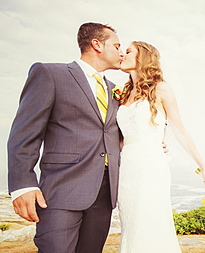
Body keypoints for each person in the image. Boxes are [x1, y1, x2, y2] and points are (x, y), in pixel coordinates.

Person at [7, 22, 124, 252]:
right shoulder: (50, 74)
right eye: (117, 45)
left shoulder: (115, 90)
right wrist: (22, 185)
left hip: (104, 195)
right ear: (97, 44)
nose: (122, 52)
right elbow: (25, 132)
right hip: (61, 191)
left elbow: (115, 134)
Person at [116, 41, 205, 252]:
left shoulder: (161, 88)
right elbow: (120, 138)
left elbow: (179, 129)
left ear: (143, 57)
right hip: (126, 168)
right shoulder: (123, 94)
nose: (122, 55)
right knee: (131, 223)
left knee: (150, 221)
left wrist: (203, 166)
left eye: (128, 51)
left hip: (150, 165)